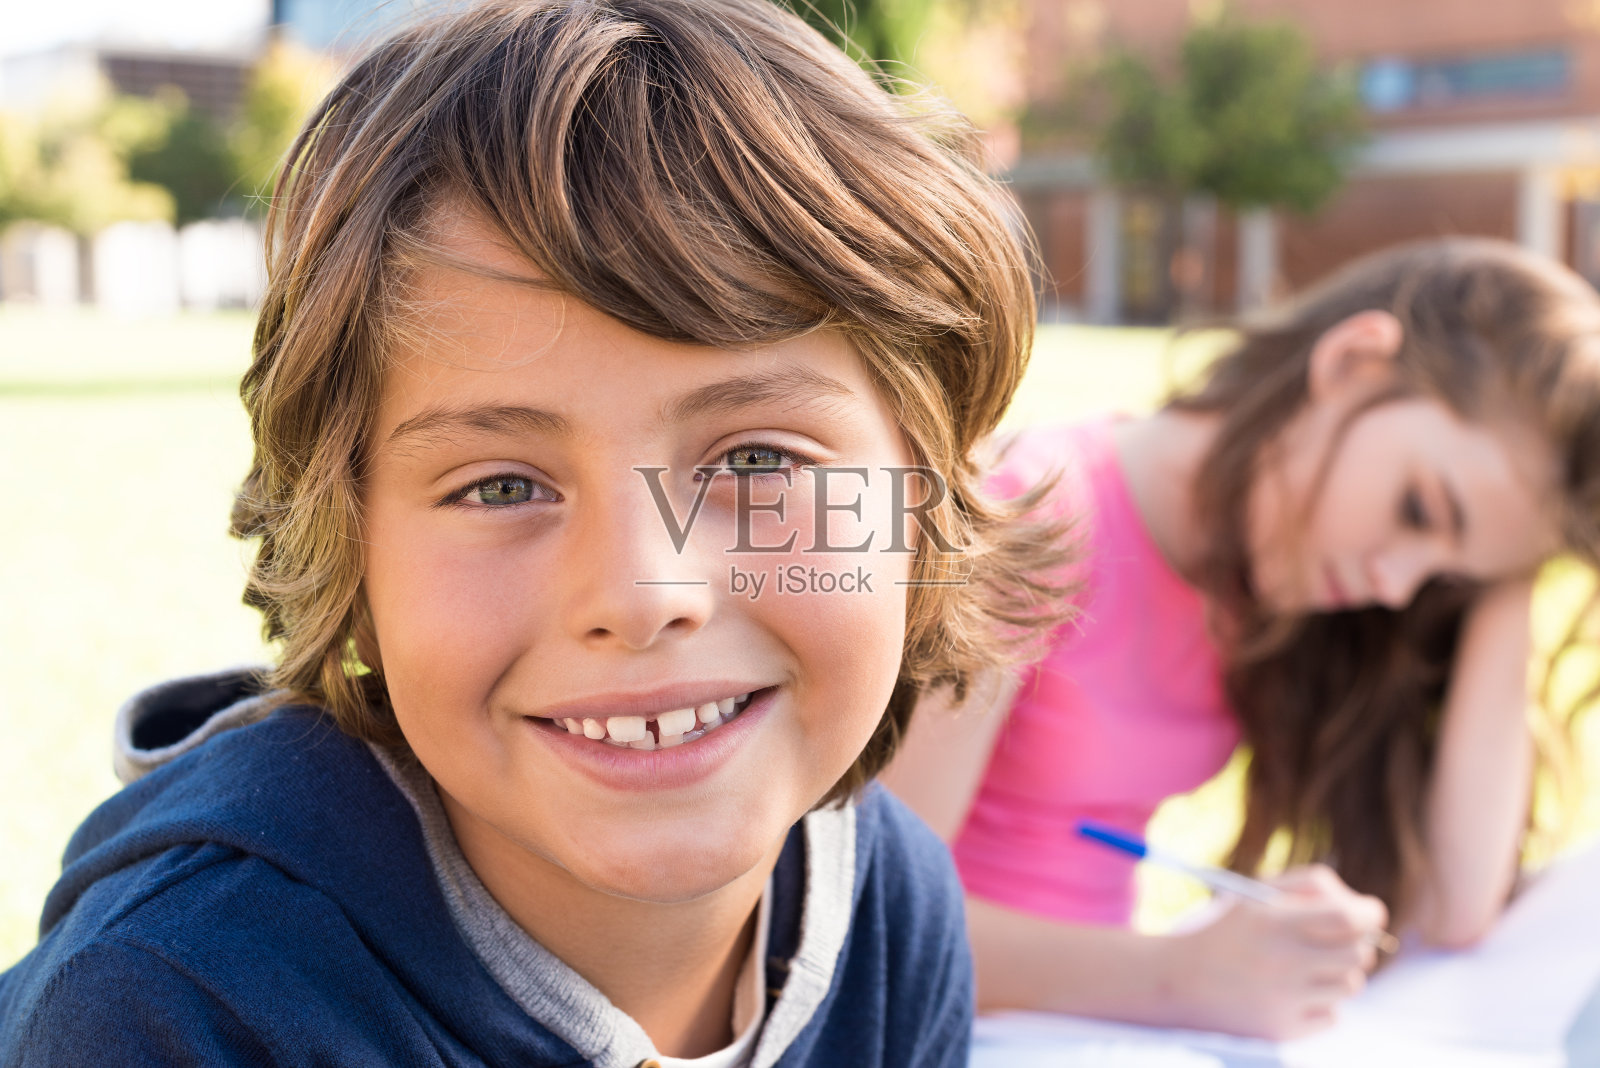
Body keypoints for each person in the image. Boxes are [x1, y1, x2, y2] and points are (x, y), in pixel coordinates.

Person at [0, 2, 1071, 1063]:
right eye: (502, 486)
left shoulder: (890, 914)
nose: (640, 594)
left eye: (756, 462)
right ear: (350, 550)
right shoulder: (167, 1011)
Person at [884, 237, 1600, 1040]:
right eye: (1419, 509)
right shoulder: (1035, 519)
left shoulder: (1276, 589)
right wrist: (1180, 978)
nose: (1397, 586)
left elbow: (1462, 902)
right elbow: (874, 920)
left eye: (1444, 577)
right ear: (1355, 363)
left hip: (1099, 1033)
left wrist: (1510, 561)